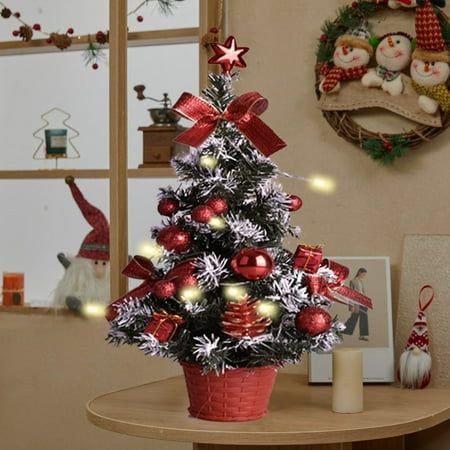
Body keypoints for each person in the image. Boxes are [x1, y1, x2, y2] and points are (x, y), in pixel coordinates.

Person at [342, 268, 369, 341]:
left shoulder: (360, 281)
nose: (364, 276)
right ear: (359, 272)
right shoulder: (353, 281)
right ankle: (343, 331)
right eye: (363, 274)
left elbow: (363, 293)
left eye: (365, 274)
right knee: (354, 318)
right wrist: (351, 305)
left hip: (363, 303)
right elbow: (350, 294)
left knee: (364, 318)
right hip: (356, 303)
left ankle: (363, 335)